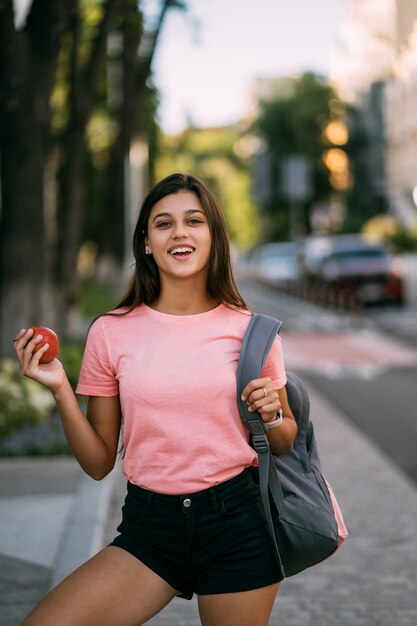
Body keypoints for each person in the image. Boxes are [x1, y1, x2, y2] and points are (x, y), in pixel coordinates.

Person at [13, 173, 297, 626]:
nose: (179, 232)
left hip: (237, 523)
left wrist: (274, 412)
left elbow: (284, 440)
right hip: (151, 527)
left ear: (212, 237)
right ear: (147, 242)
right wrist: (60, 388)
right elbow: (98, 462)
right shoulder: (111, 331)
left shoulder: (252, 331)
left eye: (194, 221)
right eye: (163, 224)